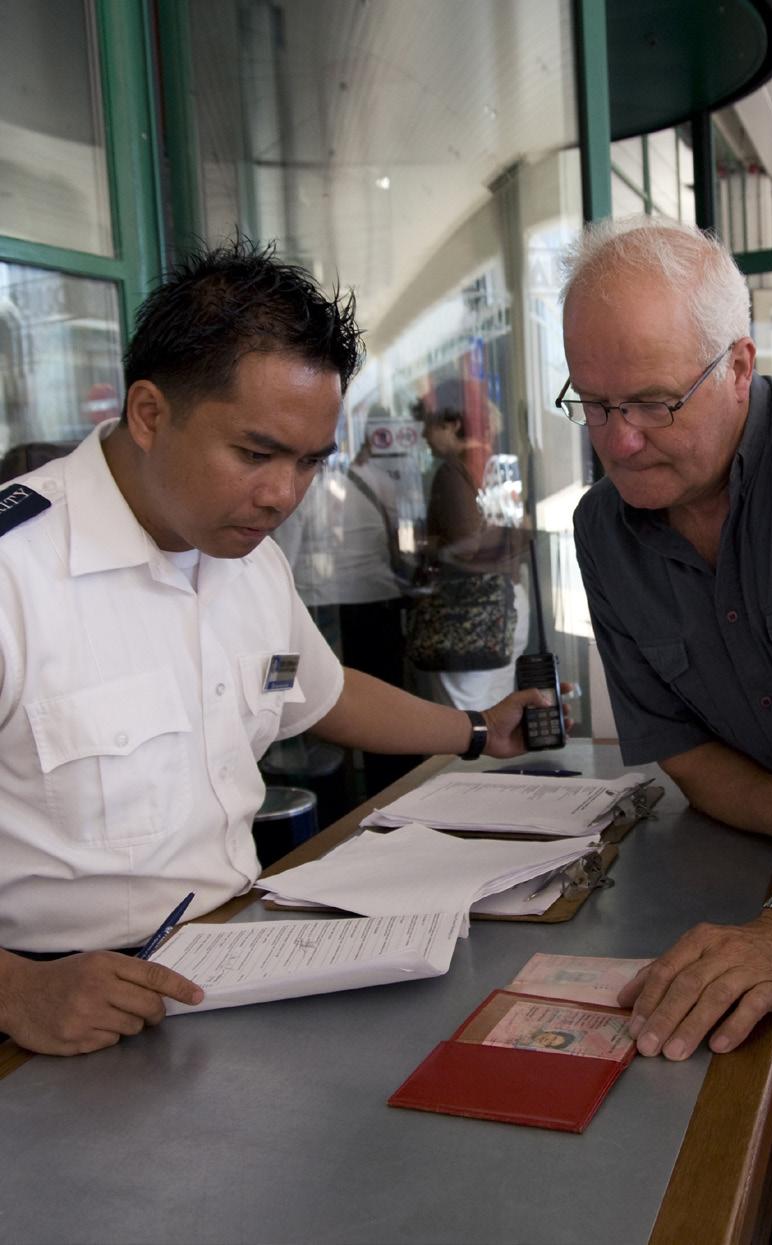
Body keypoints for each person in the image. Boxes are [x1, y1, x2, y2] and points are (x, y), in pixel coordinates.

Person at [0, 239, 560, 1057]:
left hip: (229, 967)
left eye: (307, 462)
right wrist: (18, 991)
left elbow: (322, 693)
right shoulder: (18, 573)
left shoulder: (247, 562)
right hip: (55, 1020)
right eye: (255, 454)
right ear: (150, 414)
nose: (281, 496)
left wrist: (480, 734)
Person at [562, 214, 772, 1236]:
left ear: (739, 365)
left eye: (652, 401)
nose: (618, 440)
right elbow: (685, 754)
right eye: (594, 403)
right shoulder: (600, 531)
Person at [275, 410, 420, 794]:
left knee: (329, 712)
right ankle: (396, 799)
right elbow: (397, 541)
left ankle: (342, 801)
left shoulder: (300, 490)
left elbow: (279, 565)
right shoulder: (377, 482)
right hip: (379, 602)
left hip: (327, 610)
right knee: (384, 714)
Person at [411, 378, 530, 710]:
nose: (423, 436)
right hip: (510, 601)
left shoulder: (452, 472)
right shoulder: (497, 465)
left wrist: (425, 545)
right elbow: (521, 531)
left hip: (468, 612)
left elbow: (465, 545)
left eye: (427, 425)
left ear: (452, 423)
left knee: (462, 728)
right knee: (498, 720)